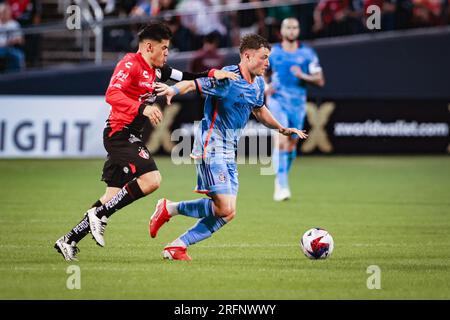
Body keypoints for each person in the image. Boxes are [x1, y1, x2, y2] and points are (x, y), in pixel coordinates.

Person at [54, 22, 238, 261]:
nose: (167, 53)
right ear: (149, 46)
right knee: (152, 179)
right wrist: (142, 108)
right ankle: (100, 216)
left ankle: (68, 240)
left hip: (130, 136)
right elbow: (112, 94)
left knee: (110, 197)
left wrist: (213, 74)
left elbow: (188, 77)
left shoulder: (159, 70)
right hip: (119, 135)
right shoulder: (129, 64)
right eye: (164, 48)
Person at [150, 34, 308, 261]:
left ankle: (176, 243)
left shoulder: (259, 83)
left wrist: (282, 128)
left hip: (228, 150)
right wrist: (172, 91)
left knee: (228, 212)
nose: (268, 63)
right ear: (247, 55)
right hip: (210, 144)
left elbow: (259, 110)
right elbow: (194, 83)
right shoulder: (227, 78)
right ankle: (169, 210)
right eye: (264, 58)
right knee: (223, 207)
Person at [266, 17, 325, 202]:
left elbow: (320, 80)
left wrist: (303, 75)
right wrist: (266, 87)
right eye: (288, 27)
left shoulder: (307, 54)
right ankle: (281, 184)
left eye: (295, 27)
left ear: (298, 31)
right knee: (282, 138)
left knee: (292, 144)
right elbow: (260, 74)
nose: (291, 31)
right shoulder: (272, 53)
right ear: (281, 31)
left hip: (298, 104)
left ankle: (281, 177)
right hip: (277, 100)